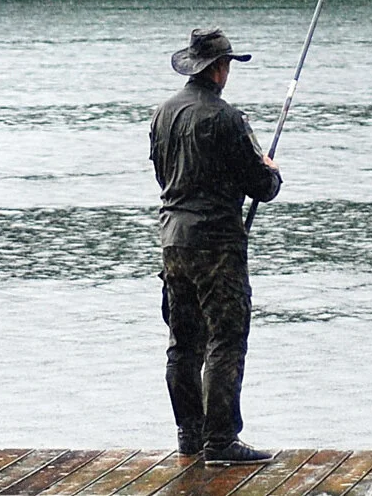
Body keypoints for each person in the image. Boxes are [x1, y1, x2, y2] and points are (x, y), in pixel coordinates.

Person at [149, 27, 282, 465]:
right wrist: (270, 170)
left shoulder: (162, 114)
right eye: (228, 64)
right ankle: (221, 441)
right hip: (217, 246)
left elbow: (164, 178)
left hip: (172, 241)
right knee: (226, 338)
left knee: (183, 341)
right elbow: (261, 186)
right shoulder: (226, 119)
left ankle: (190, 434)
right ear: (220, 69)